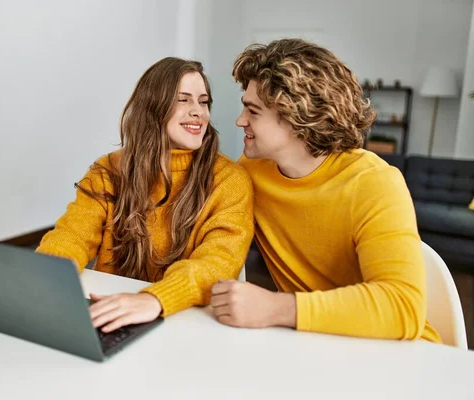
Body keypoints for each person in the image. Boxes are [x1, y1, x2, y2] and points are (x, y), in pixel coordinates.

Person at [210, 38, 441, 343]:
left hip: (395, 357)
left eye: (252, 111)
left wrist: (276, 308)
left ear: (296, 116)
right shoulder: (253, 171)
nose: (240, 121)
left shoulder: (374, 184)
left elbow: (402, 308)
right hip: (312, 345)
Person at [37, 57, 254, 333]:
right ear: (153, 107)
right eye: (183, 100)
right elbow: (72, 235)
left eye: (203, 101)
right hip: (113, 314)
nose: (198, 111)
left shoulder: (229, 180)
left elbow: (217, 263)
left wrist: (154, 299)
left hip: (185, 321)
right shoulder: (109, 169)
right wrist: (44, 277)